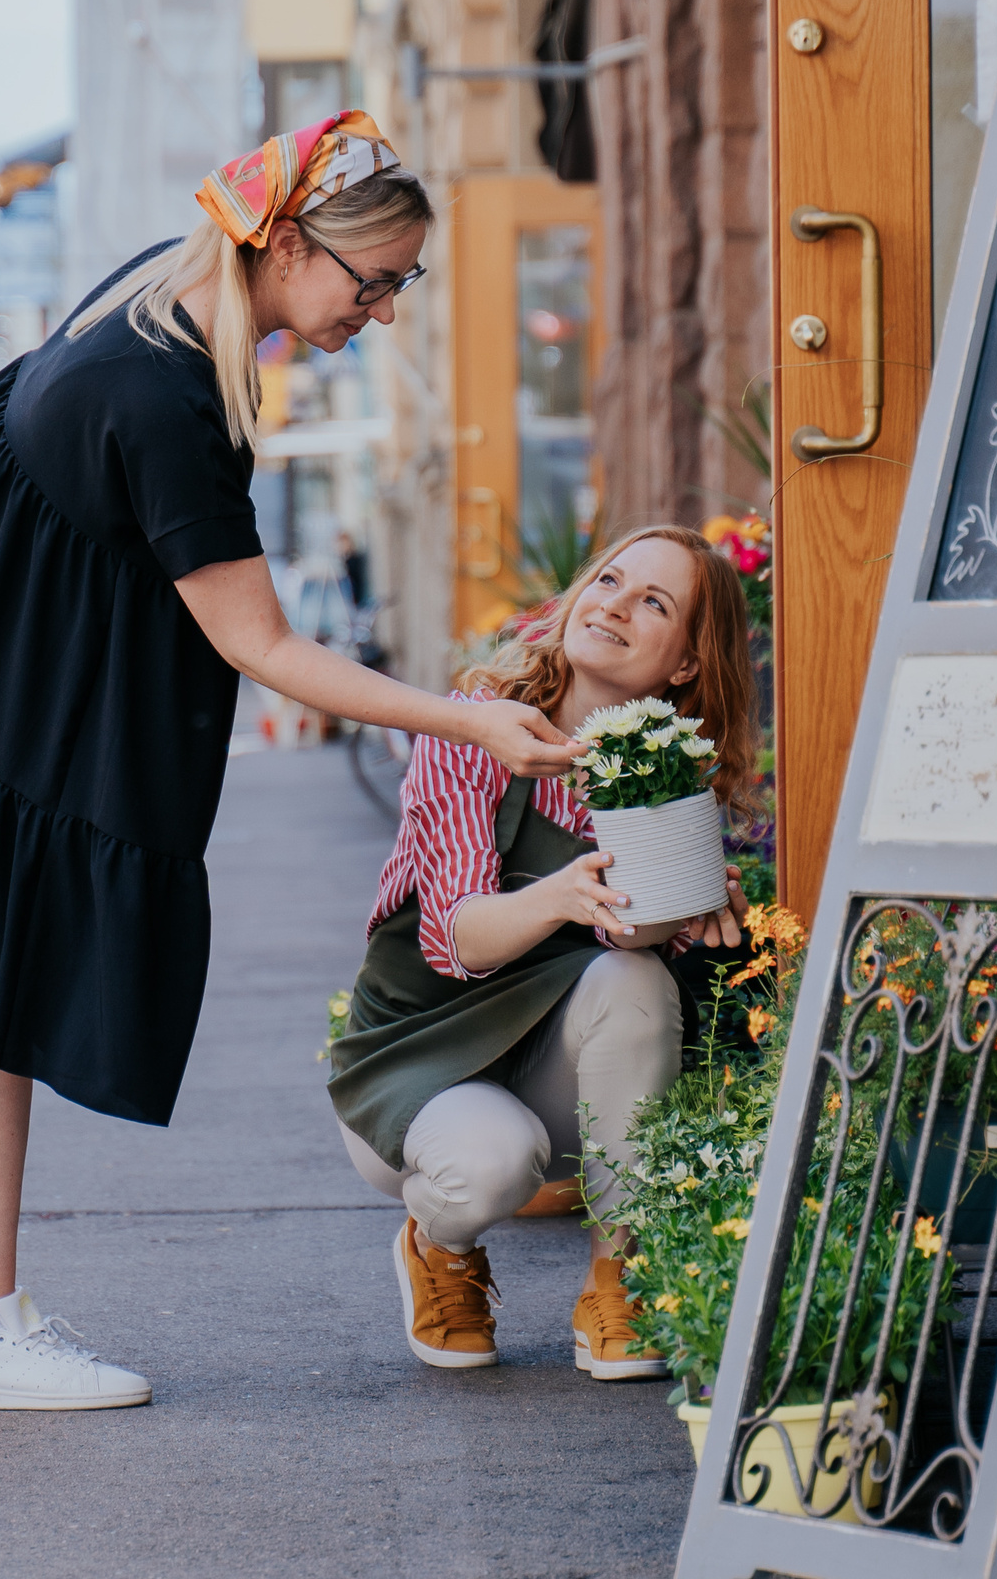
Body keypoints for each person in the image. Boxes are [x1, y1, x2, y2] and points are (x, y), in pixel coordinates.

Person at [0, 112, 575, 1410]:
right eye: (375, 282)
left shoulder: (168, 293)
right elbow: (262, 645)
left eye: (402, 285)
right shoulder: (171, 399)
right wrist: (471, 717)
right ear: (292, 242)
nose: (383, 311)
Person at [328, 528, 756, 1378]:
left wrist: (690, 895)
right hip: (421, 1060)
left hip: (551, 1062)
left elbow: (628, 941)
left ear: (683, 666)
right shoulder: (470, 733)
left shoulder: (666, 783)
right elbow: (454, 939)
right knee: (489, 1167)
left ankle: (620, 1275)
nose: (616, 606)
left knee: (636, 976)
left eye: (654, 604)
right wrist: (559, 894)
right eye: (609, 581)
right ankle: (437, 1246)